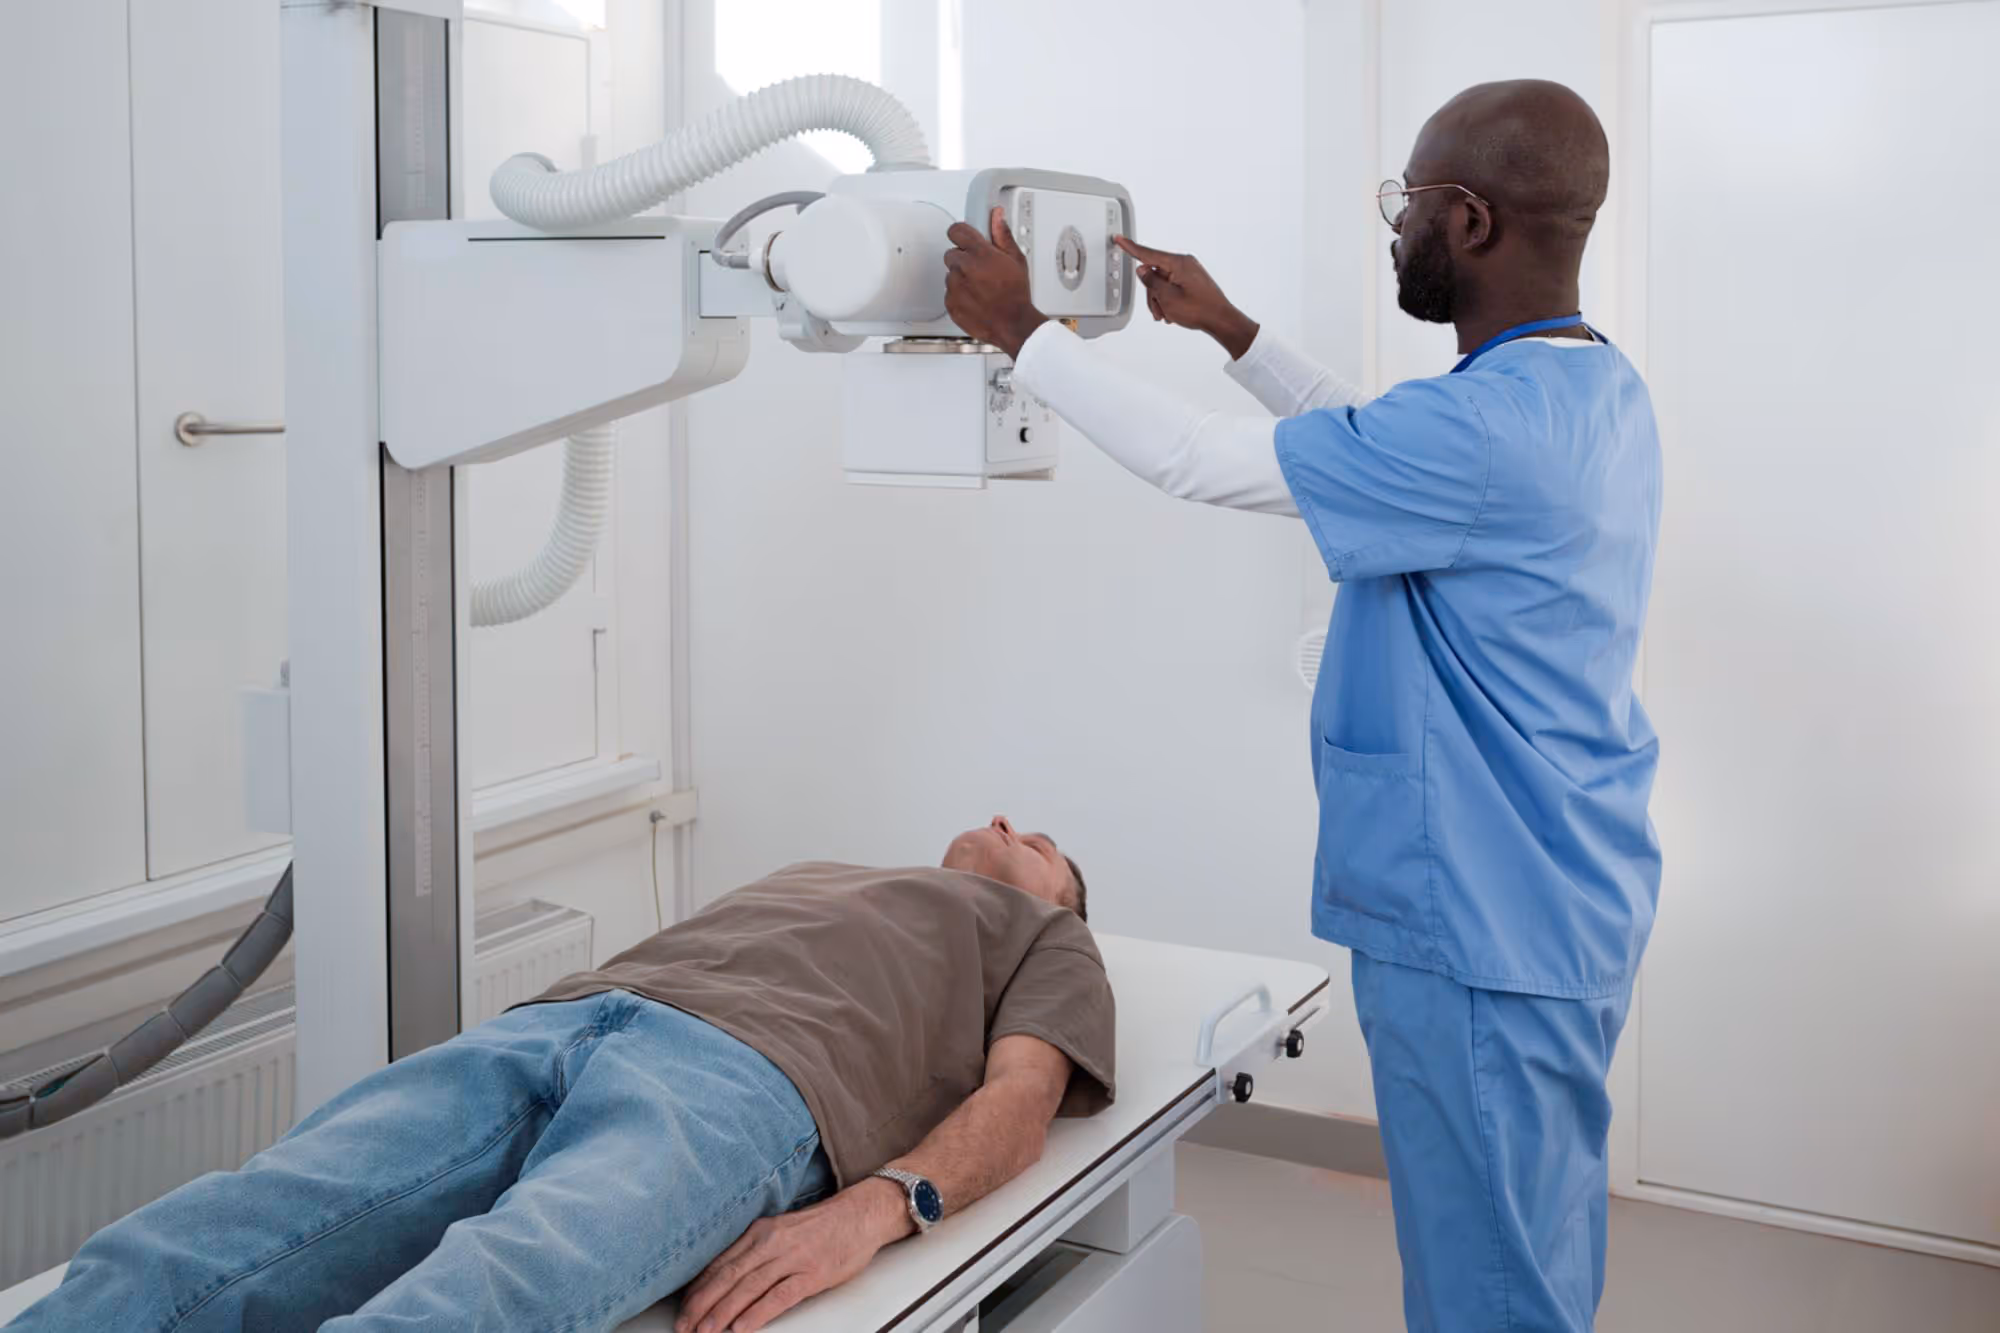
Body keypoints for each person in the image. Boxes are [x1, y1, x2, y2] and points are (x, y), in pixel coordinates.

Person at [944, 79, 1660, 1332]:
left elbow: (1193, 461)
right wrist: (1235, 334)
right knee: (1531, 1244)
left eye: (1406, 201)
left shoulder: (1480, 430)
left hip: (1481, 922)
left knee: (1490, 1290)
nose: (1395, 225)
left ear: (1469, 221)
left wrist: (1027, 337)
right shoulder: (1586, 386)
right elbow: (1379, 442)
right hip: (1560, 892)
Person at [7, 818, 1114, 1333]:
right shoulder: (827, 865)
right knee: (243, 1224)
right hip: (560, 1018)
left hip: (744, 1083)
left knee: (492, 1285)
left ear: (1059, 897)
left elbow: (1018, 1105)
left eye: (1040, 840)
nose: (1004, 822)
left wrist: (869, 1213)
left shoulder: (1044, 939)